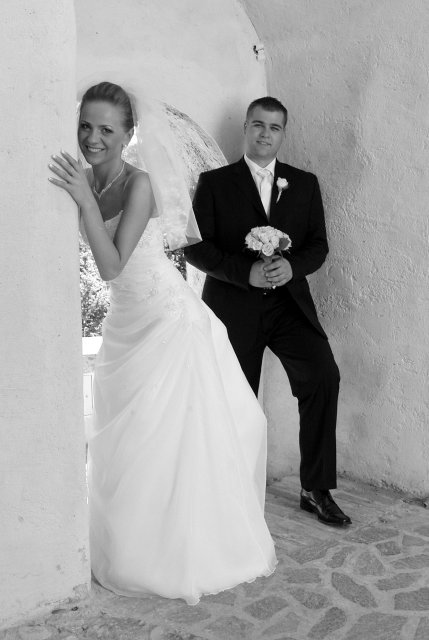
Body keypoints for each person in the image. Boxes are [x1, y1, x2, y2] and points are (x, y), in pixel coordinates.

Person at [48, 82, 276, 604]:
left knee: (164, 439)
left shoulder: (140, 185)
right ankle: (127, 547)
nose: (93, 138)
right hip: (124, 323)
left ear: (129, 134)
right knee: (128, 442)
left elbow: (110, 266)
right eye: (86, 126)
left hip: (167, 321)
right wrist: (82, 192)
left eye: (107, 129)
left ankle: (178, 553)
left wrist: (84, 200)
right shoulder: (83, 176)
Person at [185, 97, 351, 527]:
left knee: (322, 375)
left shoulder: (305, 184)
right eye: (258, 125)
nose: (265, 134)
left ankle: (315, 488)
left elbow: (318, 245)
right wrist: (246, 274)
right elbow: (196, 247)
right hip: (233, 307)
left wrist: (293, 267)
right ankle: (228, 490)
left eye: (274, 127)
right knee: (233, 397)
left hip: (288, 306)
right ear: (245, 127)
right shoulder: (215, 183)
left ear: (282, 134)